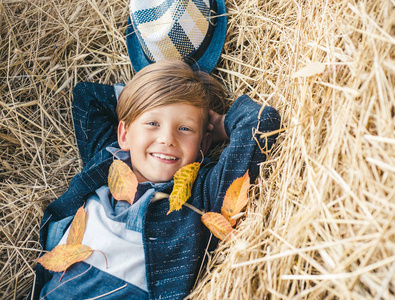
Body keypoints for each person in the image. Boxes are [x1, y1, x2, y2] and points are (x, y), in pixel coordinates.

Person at [30, 1, 280, 299]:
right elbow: (86, 98)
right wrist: (152, 89)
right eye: (151, 123)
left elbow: (263, 121)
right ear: (124, 133)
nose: (167, 139)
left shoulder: (201, 194)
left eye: (184, 128)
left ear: (203, 144)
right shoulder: (106, 159)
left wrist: (219, 124)